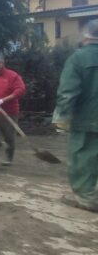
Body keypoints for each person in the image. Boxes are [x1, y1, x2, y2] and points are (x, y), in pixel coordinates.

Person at [52, 19, 98, 212]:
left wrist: (61, 117)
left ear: (85, 36)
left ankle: (87, 198)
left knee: (82, 157)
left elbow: (68, 91)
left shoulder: (79, 58)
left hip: (87, 119)